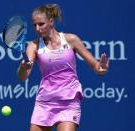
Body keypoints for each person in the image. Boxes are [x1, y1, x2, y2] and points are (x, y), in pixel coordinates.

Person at [17, 3, 109, 131]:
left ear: (51, 22)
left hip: (69, 102)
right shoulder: (34, 46)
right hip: (45, 102)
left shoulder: (71, 39)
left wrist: (101, 68)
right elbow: (23, 77)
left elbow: (96, 67)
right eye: (34, 25)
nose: (37, 29)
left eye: (41, 24)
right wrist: (23, 68)